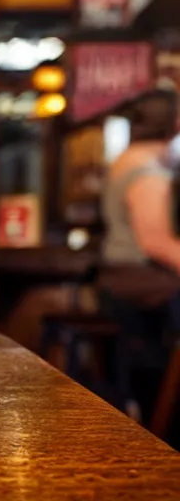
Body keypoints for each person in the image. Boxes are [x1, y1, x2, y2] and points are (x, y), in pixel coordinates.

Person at [99, 89, 180, 423]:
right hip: (139, 280)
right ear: (173, 122)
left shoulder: (126, 159)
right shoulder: (148, 174)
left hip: (119, 277)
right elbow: (156, 243)